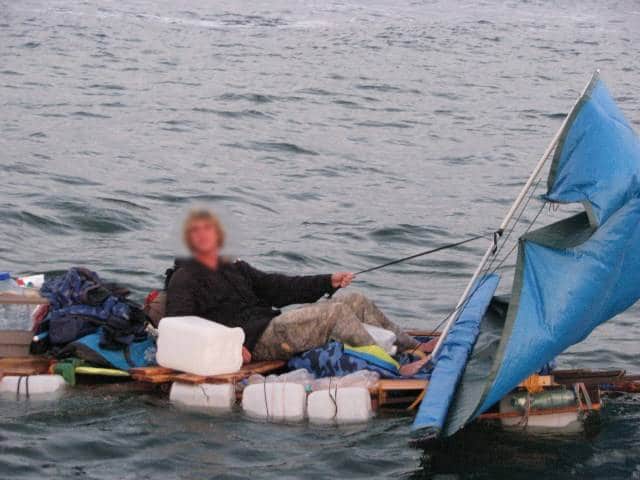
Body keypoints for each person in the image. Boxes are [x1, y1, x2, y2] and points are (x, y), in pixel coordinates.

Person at [165, 209, 435, 368]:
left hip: (271, 324)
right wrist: (230, 347)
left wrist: (327, 281)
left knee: (355, 300)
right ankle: (392, 366)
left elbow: (279, 287)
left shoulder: (233, 267)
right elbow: (181, 325)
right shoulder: (184, 279)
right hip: (253, 343)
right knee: (334, 314)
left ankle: (412, 348)